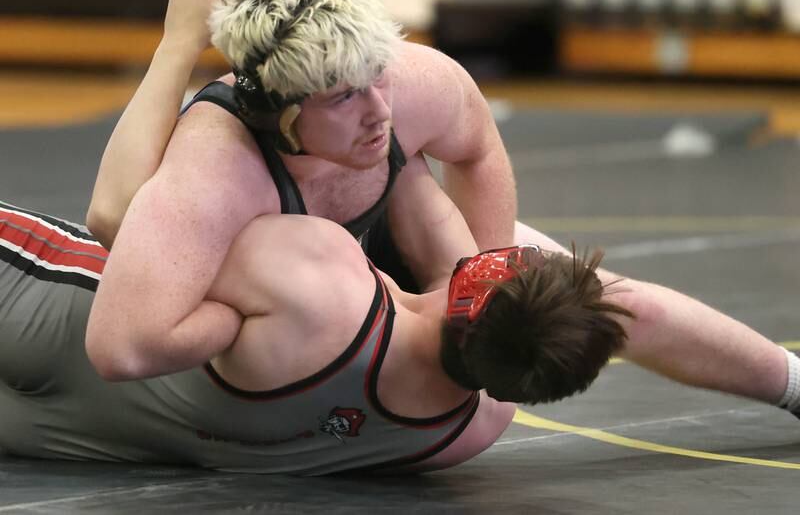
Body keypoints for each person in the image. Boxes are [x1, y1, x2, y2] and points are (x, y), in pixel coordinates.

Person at [84, 0, 799, 427]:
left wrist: (484, 283)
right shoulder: (222, 158)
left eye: (378, 75)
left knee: (600, 302)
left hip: (403, 251)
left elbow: (478, 149)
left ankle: (791, 381)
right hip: (297, 308)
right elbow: (115, 220)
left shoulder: (413, 81)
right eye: (343, 98)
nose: (381, 112)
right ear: (284, 117)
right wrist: (179, 44)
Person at [0, 192, 630, 474]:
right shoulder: (464, 433)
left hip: (55, 307)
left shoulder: (320, 279)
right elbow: (426, 213)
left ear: (473, 292)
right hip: (67, 436)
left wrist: (178, 48)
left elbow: (132, 213)